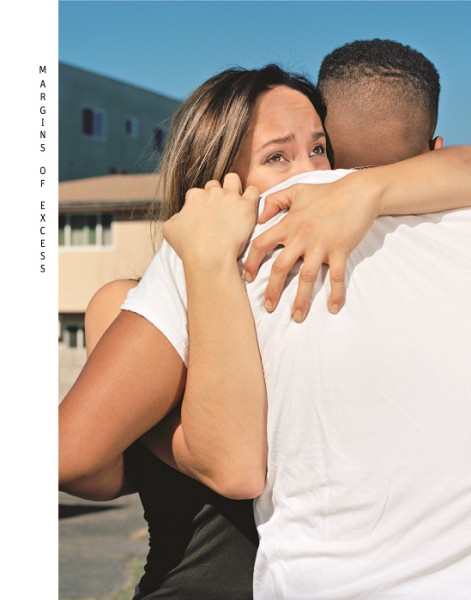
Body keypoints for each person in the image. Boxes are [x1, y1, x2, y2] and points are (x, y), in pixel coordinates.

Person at [60, 54, 471, 598]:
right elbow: (77, 458)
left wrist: (365, 190)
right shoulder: (167, 286)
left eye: (320, 149)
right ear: (216, 181)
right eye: (277, 156)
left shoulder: (340, 237)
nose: (312, 174)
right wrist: (181, 437)